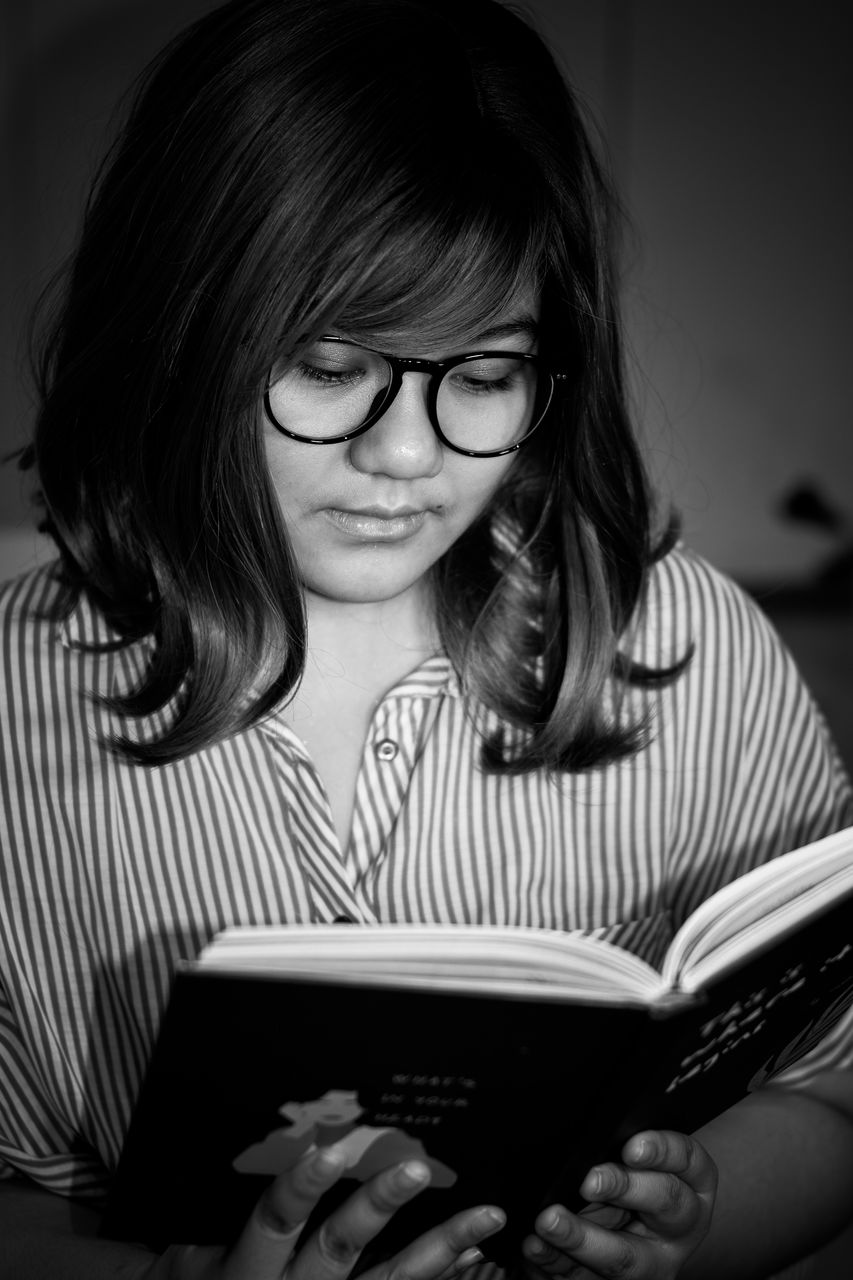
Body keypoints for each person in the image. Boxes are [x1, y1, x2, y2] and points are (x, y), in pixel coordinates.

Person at [1, 0, 852, 1277]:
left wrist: (701, 1219)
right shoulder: (18, 699)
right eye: (330, 365)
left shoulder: (690, 653)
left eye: (486, 374)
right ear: (172, 332)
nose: (405, 455)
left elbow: (833, 1086)